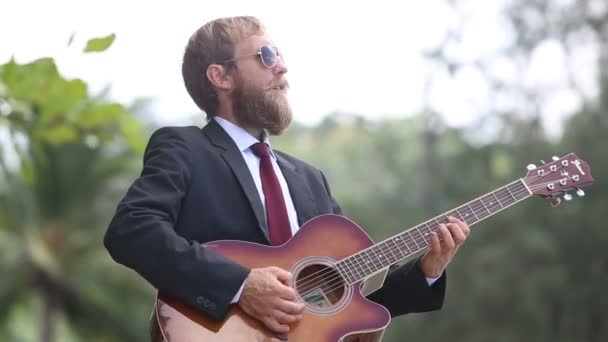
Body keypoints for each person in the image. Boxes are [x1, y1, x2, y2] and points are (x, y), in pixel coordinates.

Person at [103, 15, 471, 335]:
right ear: (220, 76)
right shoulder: (184, 147)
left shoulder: (311, 180)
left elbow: (356, 299)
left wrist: (427, 270)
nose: (281, 67)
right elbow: (132, 230)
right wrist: (242, 285)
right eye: (266, 56)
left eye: (279, 55)